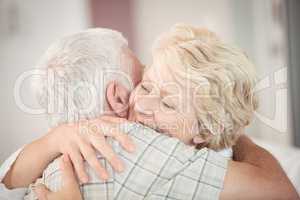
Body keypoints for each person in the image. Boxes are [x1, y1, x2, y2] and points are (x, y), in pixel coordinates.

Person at [1, 27, 299, 200]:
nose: (142, 103)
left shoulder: (49, 157)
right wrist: (232, 137)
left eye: (168, 103)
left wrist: (53, 140)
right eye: (145, 82)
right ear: (116, 94)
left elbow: (7, 178)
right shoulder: (136, 145)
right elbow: (280, 190)